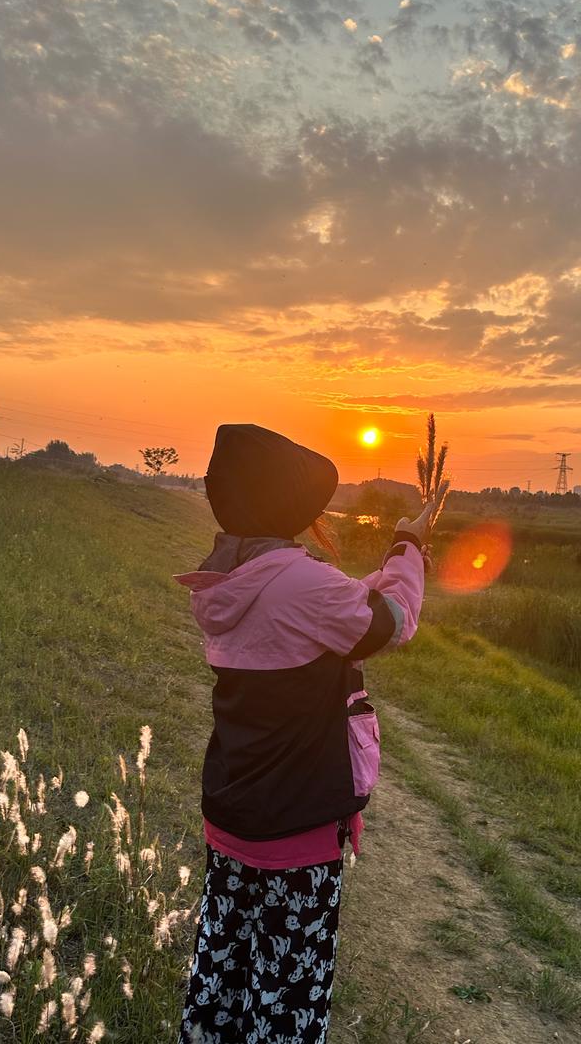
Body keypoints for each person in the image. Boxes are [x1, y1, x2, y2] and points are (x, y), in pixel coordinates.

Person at [174, 423, 446, 1044]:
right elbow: (392, 623)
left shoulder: (225, 580)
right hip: (296, 832)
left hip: (234, 817)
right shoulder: (302, 585)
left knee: (223, 979)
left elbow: (342, 605)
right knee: (287, 998)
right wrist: (408, 547)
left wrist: (385, 566)